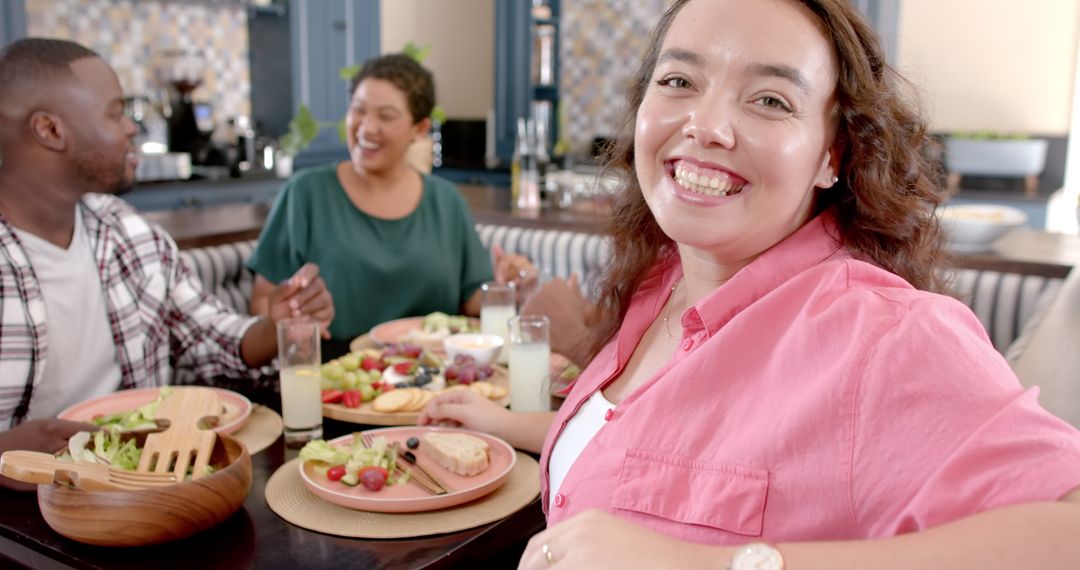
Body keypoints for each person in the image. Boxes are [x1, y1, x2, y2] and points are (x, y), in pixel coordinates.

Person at [419, 0, 1080, 567]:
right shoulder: (664, 282)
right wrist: (508, 423)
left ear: (832, 154)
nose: (705, 125)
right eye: (679, 80)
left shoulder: (883, 336)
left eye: (770, 99)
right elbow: (659, 458)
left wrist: (717, 564)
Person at [0, 38, 334, 490]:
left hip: (145, 489)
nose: (131, 129)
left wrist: (273, 325)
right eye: (115, 112)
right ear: (50, 130)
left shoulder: (128, 232)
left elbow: (208, 337)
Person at [246, 53, 532, 347]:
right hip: (337, 377)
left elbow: (472, 299)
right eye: (358, 110)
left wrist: (506, 287)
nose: (366, 127)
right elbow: (262, 300)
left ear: (419, 129)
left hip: (438, 376)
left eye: (386, 116)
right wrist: (294, 335)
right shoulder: (305, 193)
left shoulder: (446, 201)